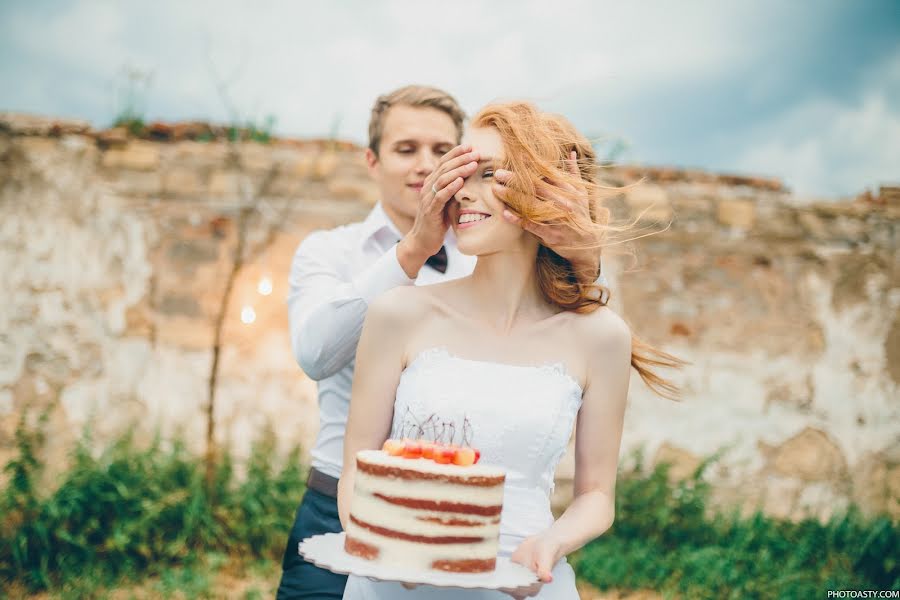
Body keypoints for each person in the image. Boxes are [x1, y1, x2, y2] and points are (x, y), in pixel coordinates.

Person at [337, 101, 683, 599]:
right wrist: (382, 544)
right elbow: (358, 466)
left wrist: (552, 543)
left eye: (489, 174)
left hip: (524, 584)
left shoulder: (600, 337)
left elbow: (596, 496)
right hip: (393, 585)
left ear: (549, 190)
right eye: (459, 172)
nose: (463, 192)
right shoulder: (399, 314)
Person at [277, 86, 610, 599]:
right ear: (372, 160)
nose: (441, 177)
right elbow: (317, 355)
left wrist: (579, 253)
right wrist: (413, 250)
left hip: (523, 578)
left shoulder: (592, 330)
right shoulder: (366, 277)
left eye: (448, 155)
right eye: (406, 149)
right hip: (355, 516)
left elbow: (596, 491)